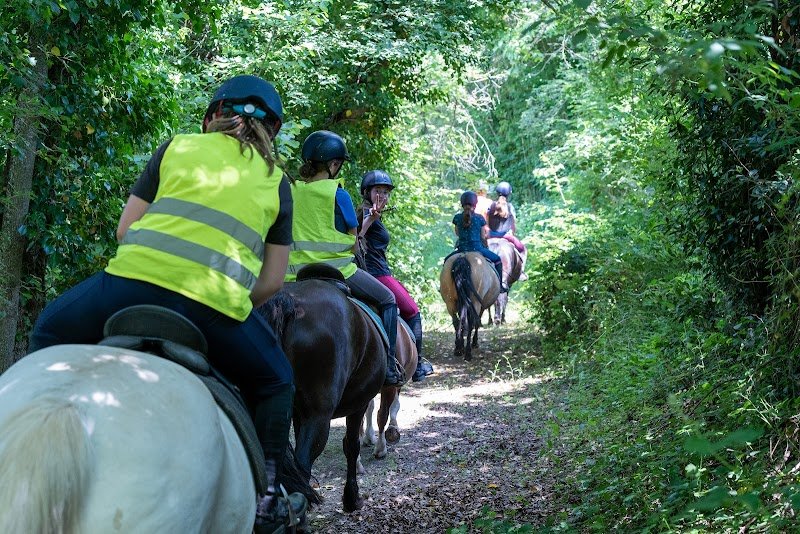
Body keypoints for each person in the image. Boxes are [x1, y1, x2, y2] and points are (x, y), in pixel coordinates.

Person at [28, 75, 306, 531]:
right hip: (211, 309)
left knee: (49, 329)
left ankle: (33, 435)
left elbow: (125, 230)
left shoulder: (176, 147)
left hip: (126, 288)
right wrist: (231, 299)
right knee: (278, 382)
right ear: (271, 131)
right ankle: (269, 502)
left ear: (212, 116)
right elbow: (273, 281)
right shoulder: (277, 182)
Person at [286, 131, 405, 386]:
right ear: (333, 164)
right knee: (388, 299)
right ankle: (389, 367)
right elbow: (353, 242)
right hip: (338, 271)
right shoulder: (338, 195)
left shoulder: (291, 190)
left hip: (293, 275)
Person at [357, 170, 434, 382]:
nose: (382, 195)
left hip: (378, 271)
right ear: (367, 192)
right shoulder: (366, 213)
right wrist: (370, 219)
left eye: (385, 192)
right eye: (377, 191)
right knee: (412, 310)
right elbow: (356, 237)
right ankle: (415, 366)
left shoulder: (370, 212)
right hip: (377, 273)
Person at [446, 190, 506, 291]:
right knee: (497, 260)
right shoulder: (479, 218)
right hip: (477, 248)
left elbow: (457, 233)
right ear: (475, 204)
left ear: (462, 204)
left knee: (446, 261)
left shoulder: (457, 218)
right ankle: (500, 287)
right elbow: (483, 236)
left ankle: (445, 286)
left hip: (461, 249)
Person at [487, 181, 528, 281]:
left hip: (490, 235)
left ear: (497, 193)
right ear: (509, 194)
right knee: (523, 249)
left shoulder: (491, 205)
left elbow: (487, 221)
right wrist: (512, 233)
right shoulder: (510, 207)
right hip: (506, 236)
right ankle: (521, 272)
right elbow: (513, 225)